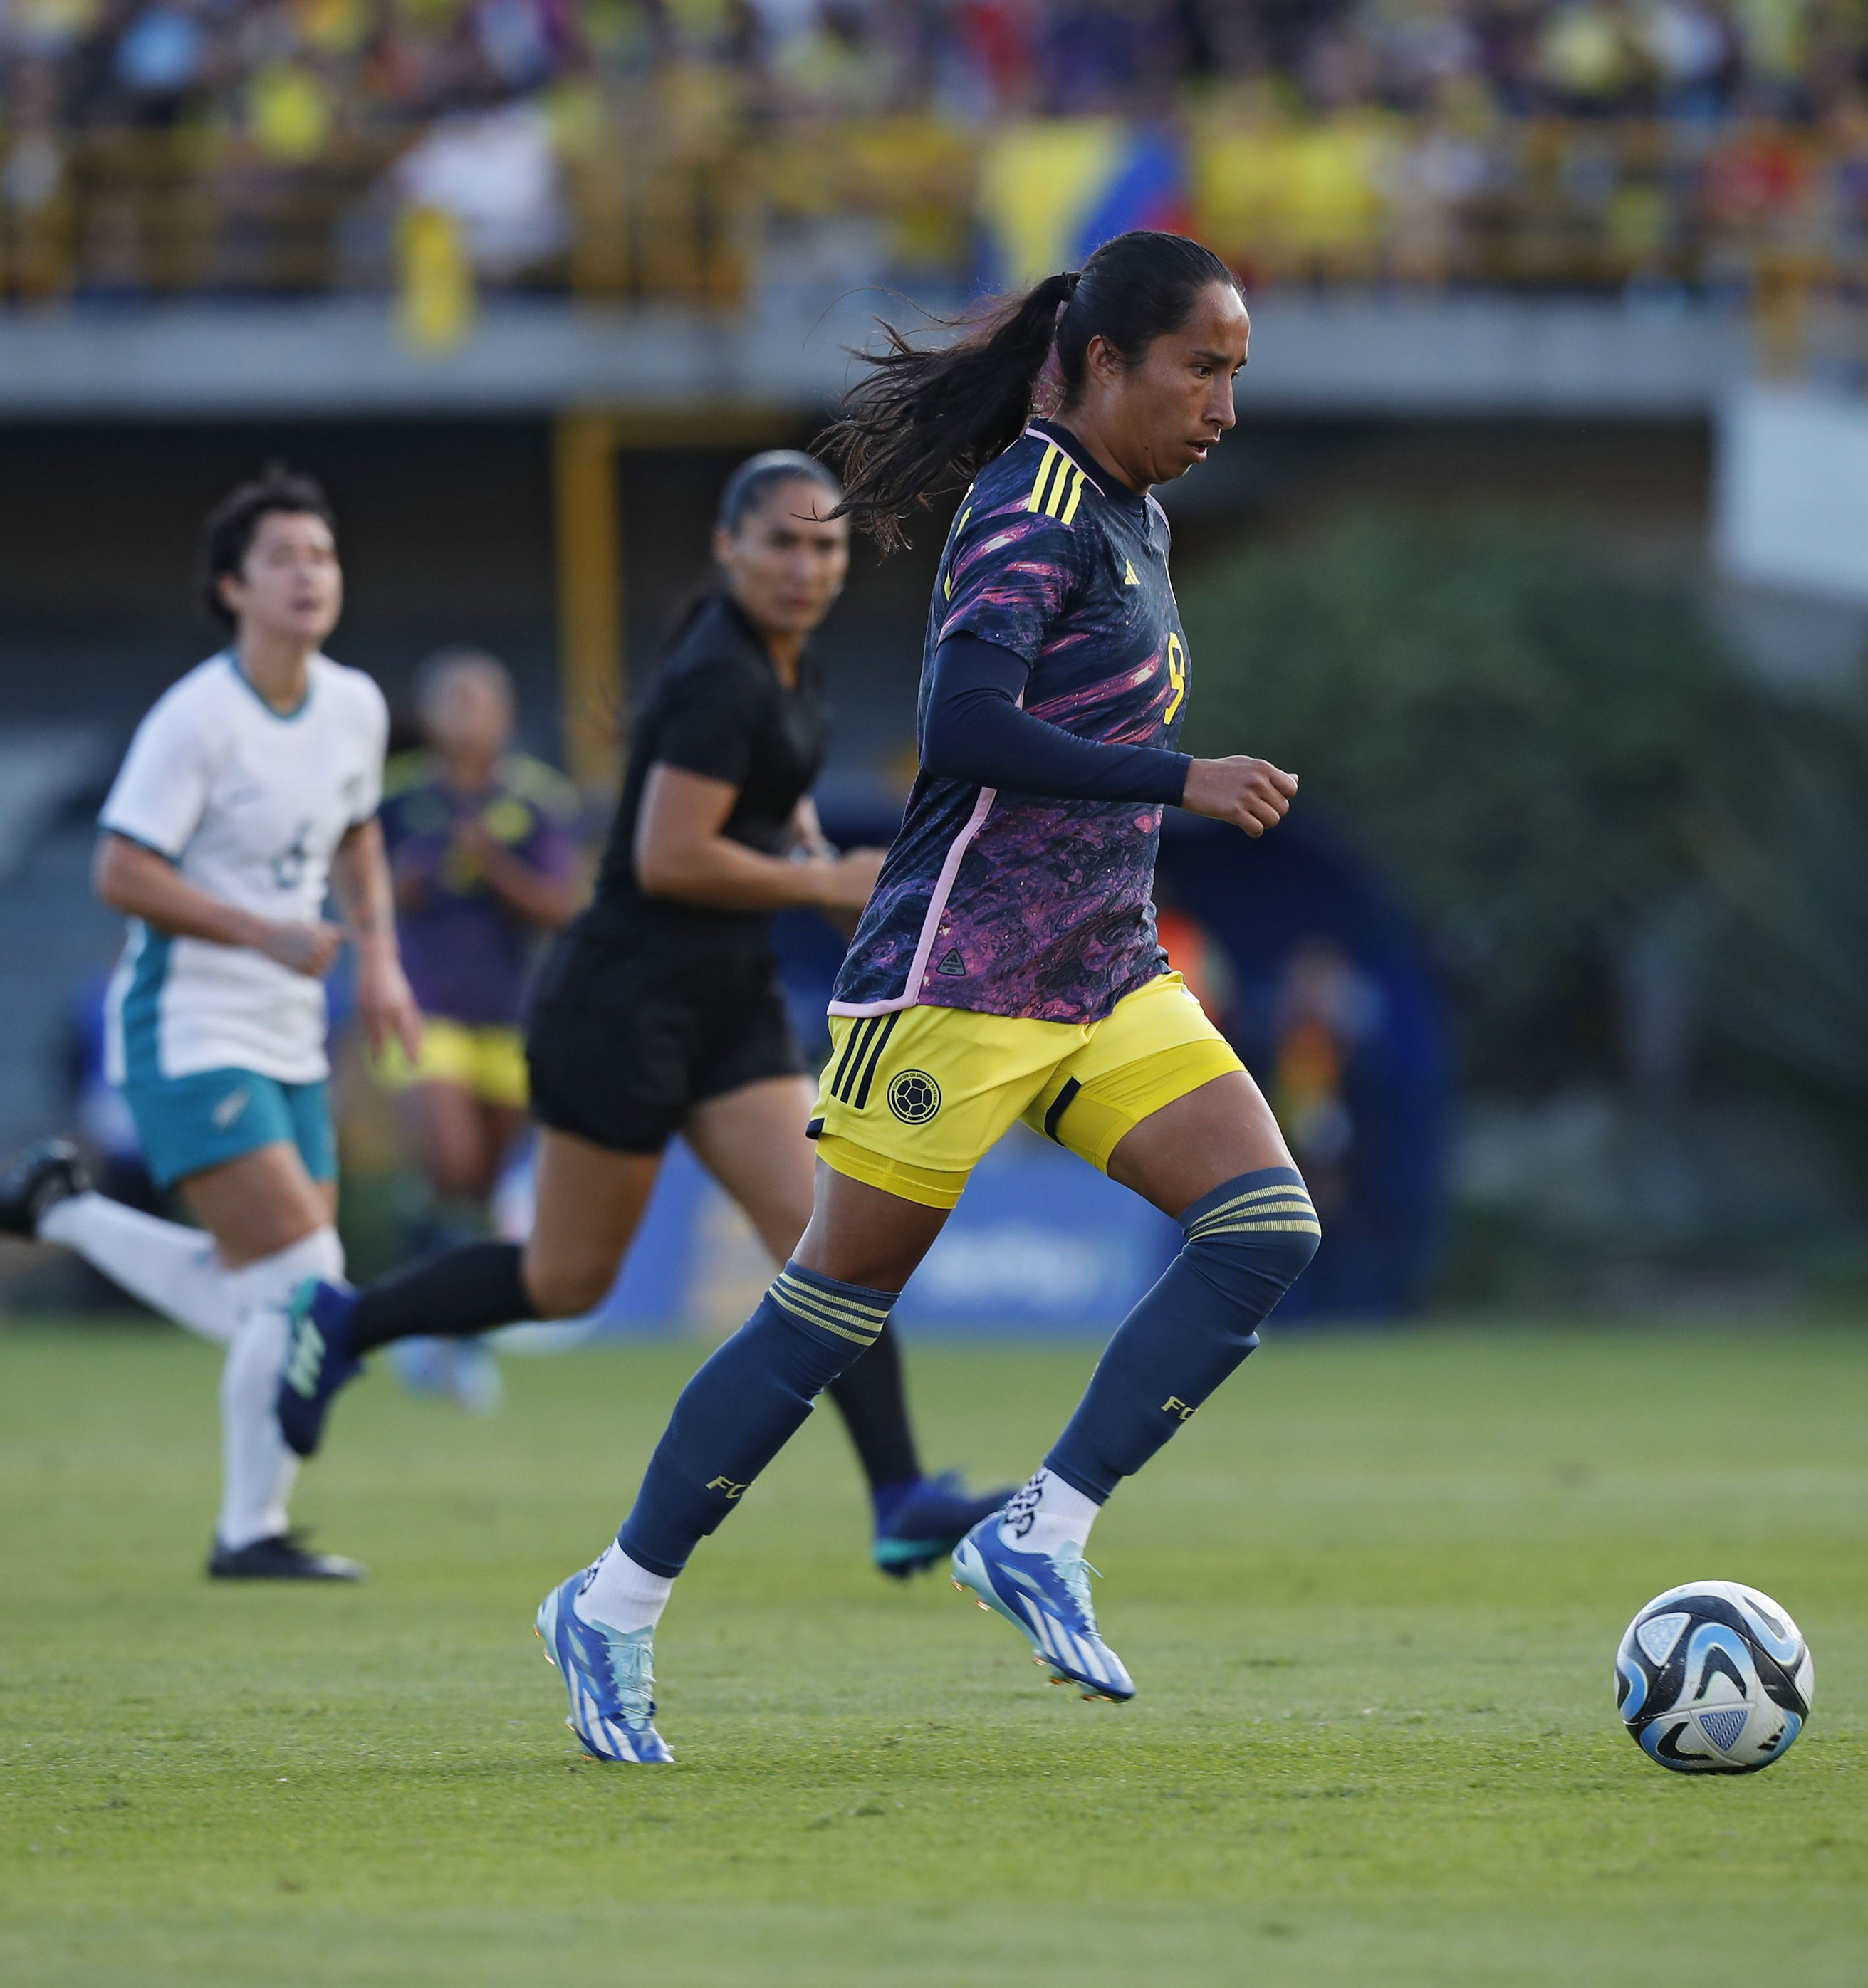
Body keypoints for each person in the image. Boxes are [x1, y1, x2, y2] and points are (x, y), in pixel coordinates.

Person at [534, 231, 1315, 1764]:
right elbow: (961, 727)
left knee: (1262, 1225)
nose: (1222, 402)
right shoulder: (1027, 510)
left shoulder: (1134, 512)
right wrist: (1182, 776)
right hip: (959, 981)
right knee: (826, 1314)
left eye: (1236, 372)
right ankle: (611, 1602)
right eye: (1199, 368)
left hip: (1097, 968)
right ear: (1102, 362)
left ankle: (1043, 1526)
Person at [276, 451, 1014, 1579]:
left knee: (835, 1247)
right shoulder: (722, 673)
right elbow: (670, 856)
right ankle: (341, 1326)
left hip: (724, 1006)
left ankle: (901, 1495)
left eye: (824, 544)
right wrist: (821, 882)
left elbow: (760, 794)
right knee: (564, 1280)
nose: (806, 564)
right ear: (728, 550)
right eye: (781, 541)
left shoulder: (780, 664)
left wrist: (803, 838)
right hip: (623, 1006)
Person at [0, 466, 421, 1583]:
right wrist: (256, 933)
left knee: (272, 1295)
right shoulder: (196, 717)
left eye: (323, 556)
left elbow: (357, 832)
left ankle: (248, 1528)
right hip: (186, 1025)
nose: (310, 576)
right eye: (284, 559)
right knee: (307, 1276)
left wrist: (382, 959)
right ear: (230, 588)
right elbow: (118, 869)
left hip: (291, 1025)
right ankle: (245, 1522)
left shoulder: (353, 704)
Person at [371, 648, 579, 1412]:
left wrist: (493, 867)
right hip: (424, 1008)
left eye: (478, 699)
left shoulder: (535, 800)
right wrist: (415, 879)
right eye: (451, 699)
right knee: (451, 1155)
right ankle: (424, 1332)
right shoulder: (396, 799)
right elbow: (366, 894)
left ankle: (448, 1335)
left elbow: (561, 906)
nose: (465, 713)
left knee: (482, 1186)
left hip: (508, 1013)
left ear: (505, 716)